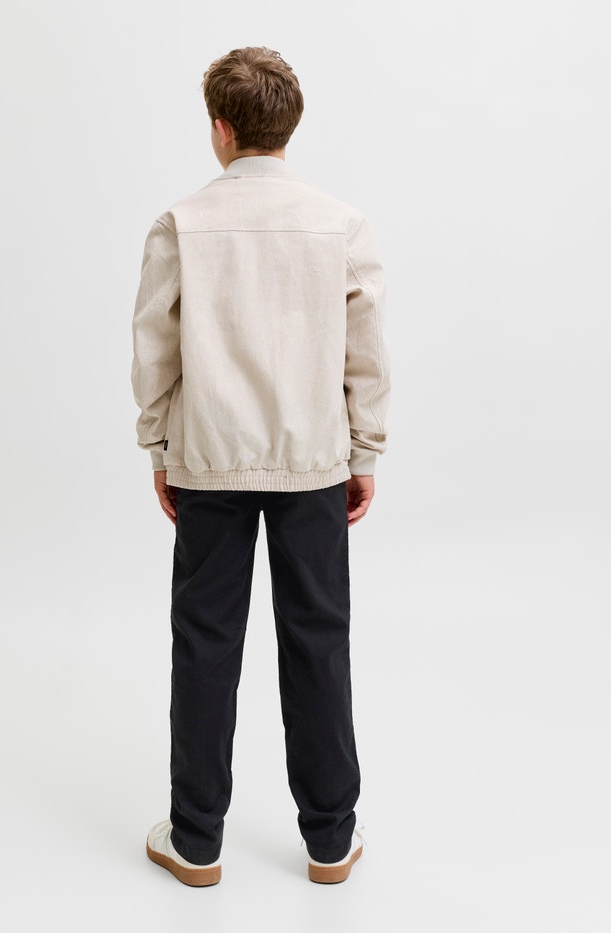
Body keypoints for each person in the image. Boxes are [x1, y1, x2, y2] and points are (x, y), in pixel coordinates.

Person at [130, 46, 391, 886]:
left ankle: (196, 838)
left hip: (209, 460)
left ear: (220, 128)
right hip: (312, 462)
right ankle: (330, 839)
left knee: (205, 642)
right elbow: (365, 355)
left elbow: (154, 350)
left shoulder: (180, 224)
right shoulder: (340, 224)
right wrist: (364, 450)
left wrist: (160, 446)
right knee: (319, 640)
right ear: (290, 126)